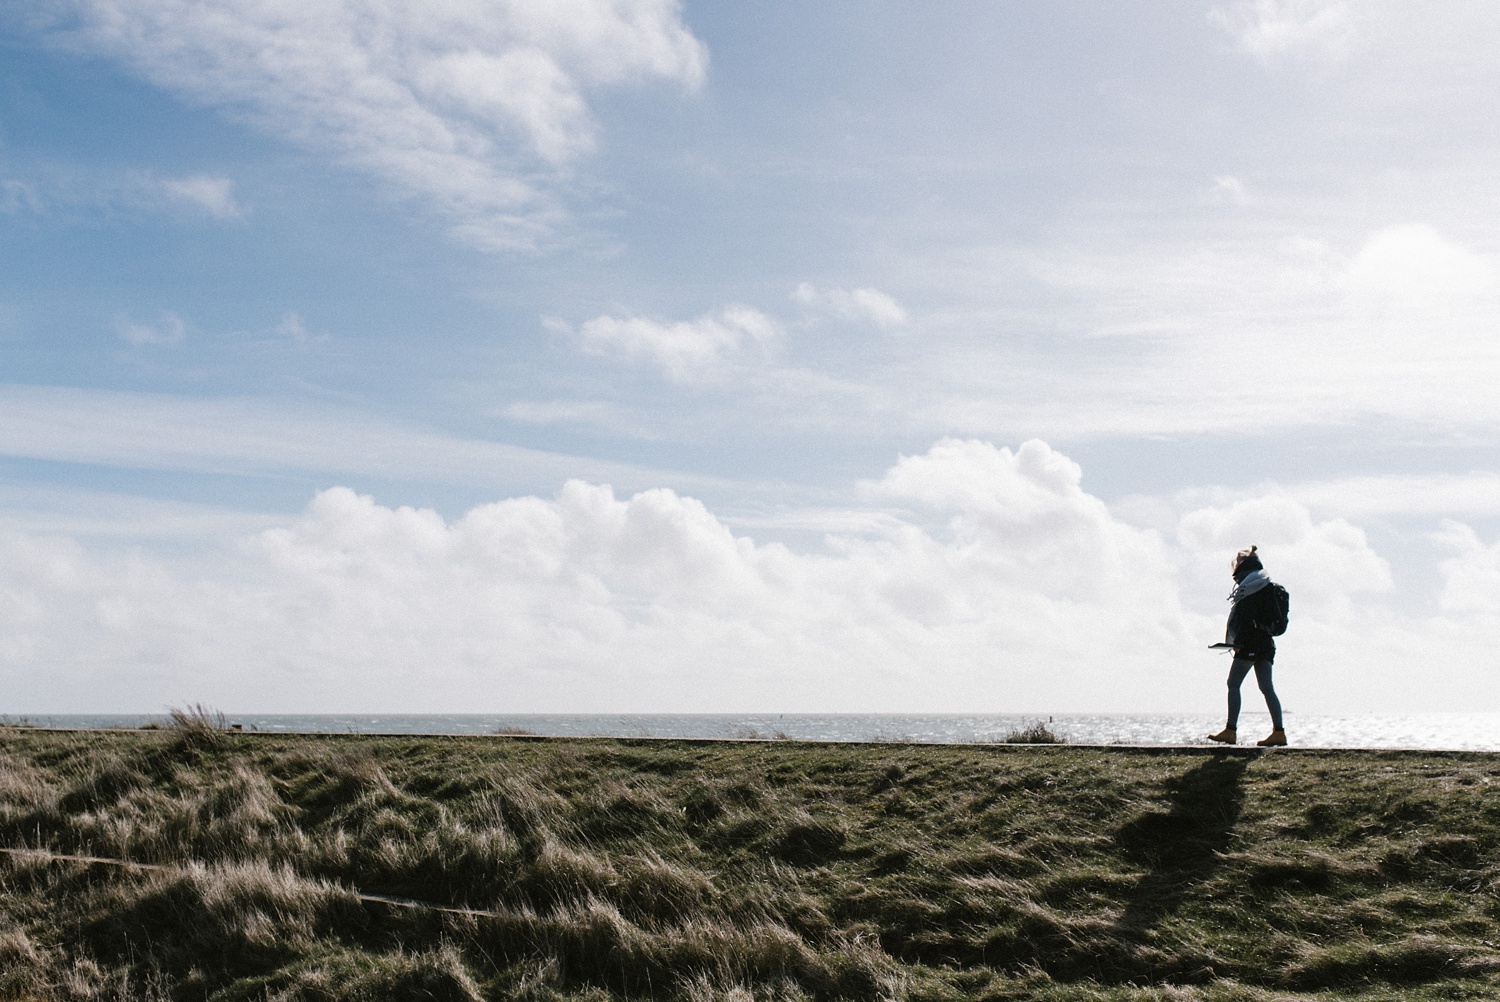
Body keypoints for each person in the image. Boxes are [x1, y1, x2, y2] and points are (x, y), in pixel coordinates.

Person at [1208, 545, 1287, 747]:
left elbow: (1244, 618)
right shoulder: (1266, 583)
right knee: (1267, 688)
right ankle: (1279, 732)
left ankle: (1230, 730)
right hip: (1267, 644)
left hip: (1251, 643)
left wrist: (1239, 643)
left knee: (1233, 683)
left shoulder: (1251, 587)